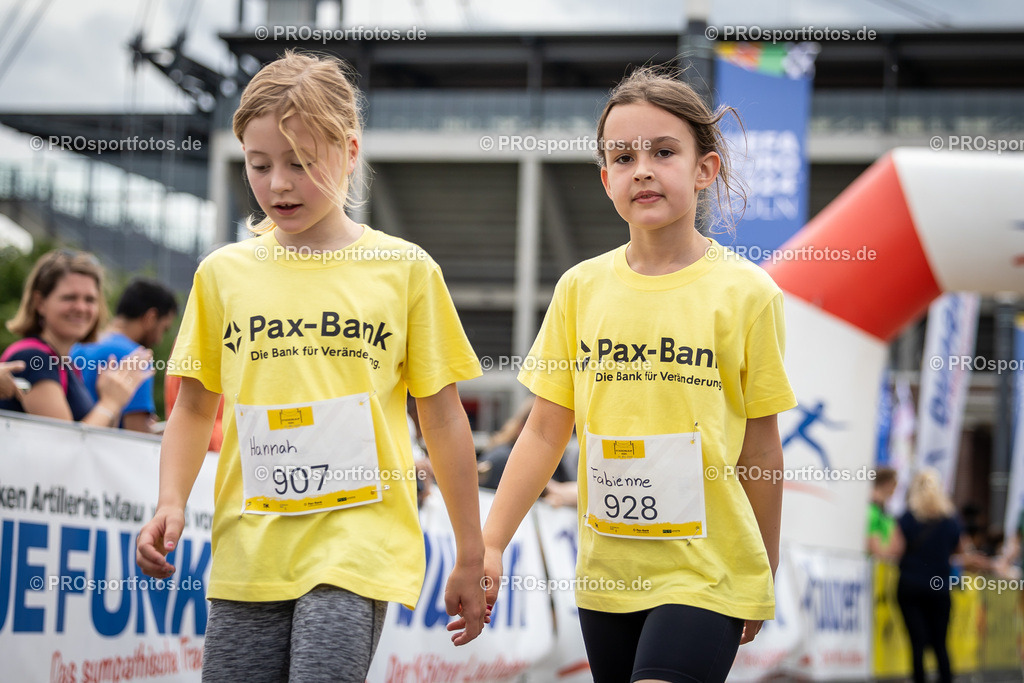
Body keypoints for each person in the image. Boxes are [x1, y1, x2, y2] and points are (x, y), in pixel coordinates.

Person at [135, 51, 487, 681]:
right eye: (259, 164)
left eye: (301, 163)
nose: (278, 185)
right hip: (249, 547)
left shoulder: (405, 270)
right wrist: (170, 499)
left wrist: (469, 549)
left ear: (349, 152)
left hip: (357, 543)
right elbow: (193, 404)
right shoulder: (223, 274)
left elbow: (441, 415)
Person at [477, 66, 796, 683]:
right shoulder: (580, 289)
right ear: (605, 180)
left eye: (664, 151)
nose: (642, 168)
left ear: (706, 169)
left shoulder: (748, 294)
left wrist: (764, 566)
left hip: (708, 571)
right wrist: (491, 543)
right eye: (622, 156)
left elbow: (762, 443)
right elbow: (545, 432)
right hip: (608, 575)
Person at [0, 249, 152, 427]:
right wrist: (110, 403)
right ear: (39, 302)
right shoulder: (33, 358)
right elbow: (66, 444)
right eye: (69, 298)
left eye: (90, 300)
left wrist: (111, 401)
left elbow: (95, 440)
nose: (81, 307)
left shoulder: (64, 363)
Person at [890, 468, 966, 683]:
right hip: (939, 587)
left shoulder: (907, 518)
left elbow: (896, 550)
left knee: (917, 642)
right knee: (940, 643)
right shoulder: (951, 521)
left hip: (910, 584)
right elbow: (960, 550)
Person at [73, 278, 178, 432]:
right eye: (163, 329)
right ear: (151, 317)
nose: (159, 339)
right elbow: (137, 435)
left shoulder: (78, 346)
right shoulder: (136, 358)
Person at [867, 466, 898, 560]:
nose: (895, 488)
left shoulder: (884, 511)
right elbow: (873, 544)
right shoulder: (872, 510)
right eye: (894, 484)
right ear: (887, 483)